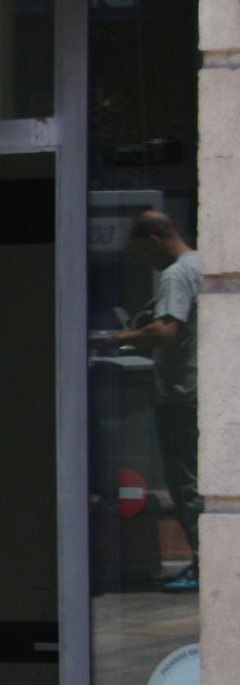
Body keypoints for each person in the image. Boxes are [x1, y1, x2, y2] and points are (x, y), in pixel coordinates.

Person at [103, 210, 203, 589]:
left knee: (186, 483)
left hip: (180, 394)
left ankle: (202, 564)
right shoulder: (204, 264)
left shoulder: (177, 273)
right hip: (201, 391)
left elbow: (165, 330)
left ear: (153, 240)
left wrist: (120, 338)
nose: (145, 262)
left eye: (142, 253)